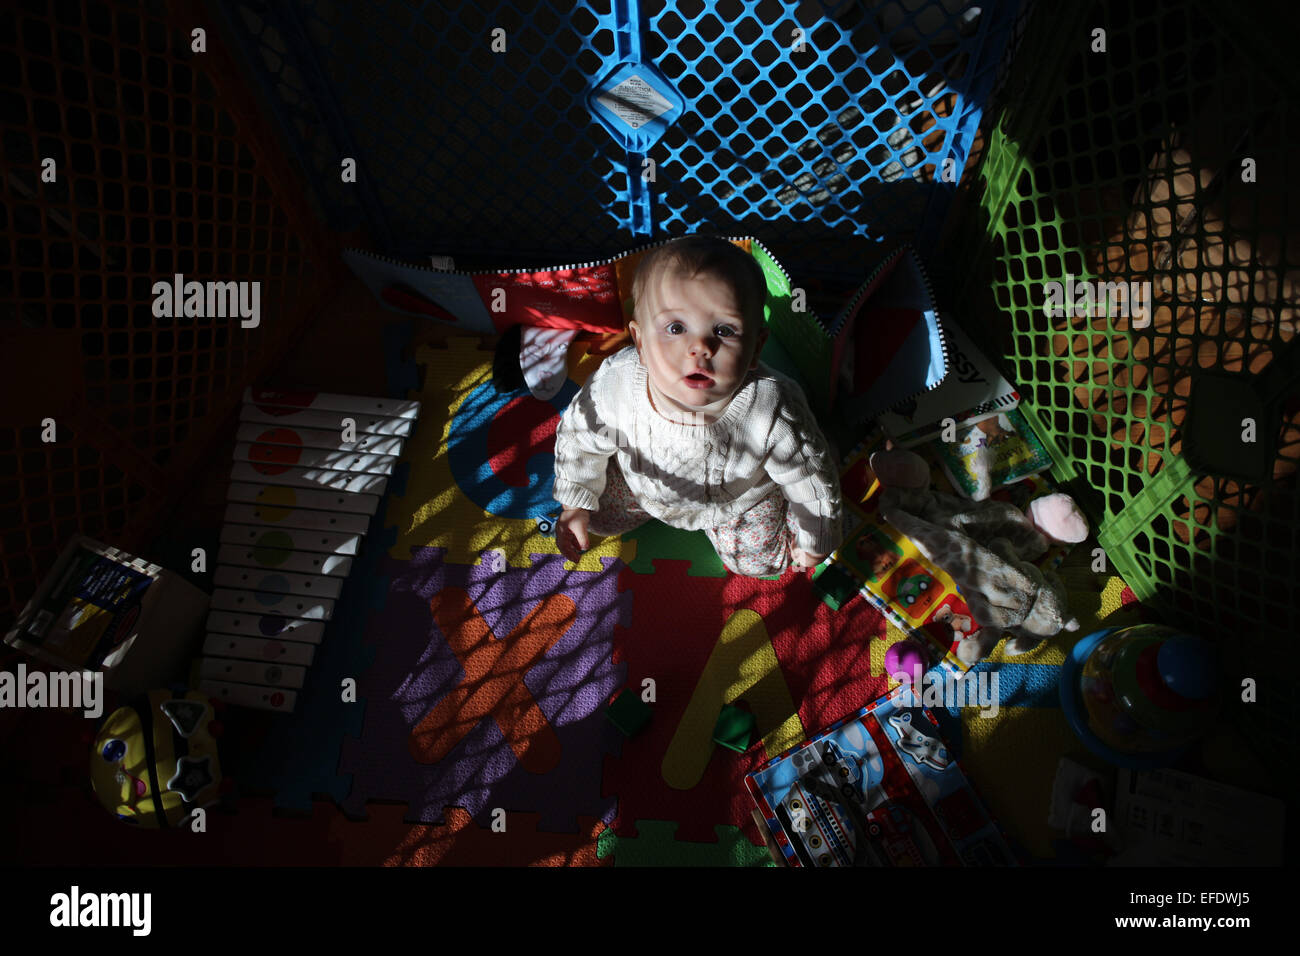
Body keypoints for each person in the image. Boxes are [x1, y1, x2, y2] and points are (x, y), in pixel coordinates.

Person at [552, 236, 842, 577]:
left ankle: (828, 448)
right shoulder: (618, 383)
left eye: (724, 330)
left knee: (761, 563)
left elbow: (808, 475)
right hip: (644, 488)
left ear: (755, 348)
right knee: (595, 516)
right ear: (641, 342)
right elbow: (579, 434)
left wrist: (816, 536)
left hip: (737, 502)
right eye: (676, 328)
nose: (700, 347)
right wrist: (575, 503)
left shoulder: (772, 405)